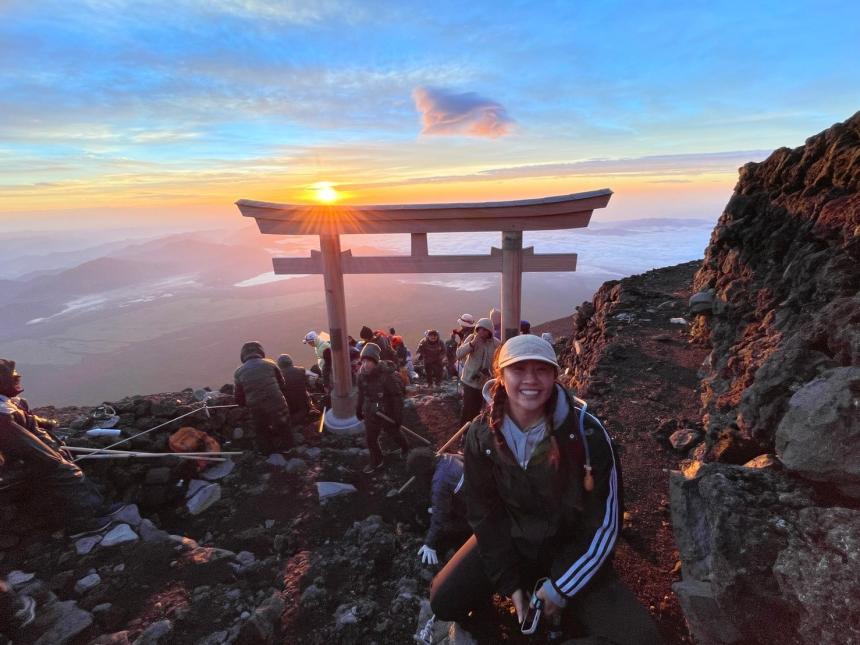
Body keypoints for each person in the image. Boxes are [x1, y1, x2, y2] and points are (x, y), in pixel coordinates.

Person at [429, 336, 662, 643]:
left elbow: (604, 523)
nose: (530, 380)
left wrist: (560, 588)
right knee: (443, 600)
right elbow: (485, 514)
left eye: (541, 370)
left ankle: (559, 603)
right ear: (500, 376)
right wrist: (511, 586)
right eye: (518, 369)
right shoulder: (482, 434)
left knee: (642, 638)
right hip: (513, 540)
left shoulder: (586, 433)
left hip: (569, 547)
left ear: (555, 375)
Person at [0, 359, 118, 537]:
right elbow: (26, 445)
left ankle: (97, 506)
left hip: (17, 454)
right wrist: (55, 458)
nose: (17, 381)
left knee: (63, 456)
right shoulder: (3, 417)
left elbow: (28, 421)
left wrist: (50, 428)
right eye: (13, 378)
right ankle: (82, 523)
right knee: (64, 471)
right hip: (9, 464)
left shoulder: (8, 403)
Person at [408, 448, 469, 566]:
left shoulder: (439, 482)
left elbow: (440, 516)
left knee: (444, 527)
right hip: (474, 496)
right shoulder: (447, 457)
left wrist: (429, 544)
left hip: (477, 514)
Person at [355, 343, 409, 474]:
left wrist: (397, 417)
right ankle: (377, 460)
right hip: (370, 411)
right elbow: (361, 393)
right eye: (364, 361)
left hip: (387, 412)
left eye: (369, 361)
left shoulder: (386, 376)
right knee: (370, 438)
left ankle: (406, 448)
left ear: (375, 361)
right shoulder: (361, 375)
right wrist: (358, 408)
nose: (365, 364)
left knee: (394, 432)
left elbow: (397, 397)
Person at [234, 342, 292, 454]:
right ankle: (288, 448)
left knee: (261, 429)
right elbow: (282, 384)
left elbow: (238, 398)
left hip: (256, 407)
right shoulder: (271, 364)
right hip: (277, 402)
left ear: (243, 356)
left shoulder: (238, 372)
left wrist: (248, 403)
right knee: (284, 424)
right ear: (260, 352)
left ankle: (266, 452)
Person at [455, 318, 500, 424]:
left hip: (485, 382)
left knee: (480, 410)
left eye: (485, 330)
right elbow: (459, 354)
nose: (481, 332)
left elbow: (499, 360)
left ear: (490, 331)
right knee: (468, 409)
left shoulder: (496, 343)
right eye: (479, 329)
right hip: (469, 381)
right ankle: (464, 433)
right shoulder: (471, 338)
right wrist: (472, 344)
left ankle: (473, 432)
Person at [276, 354, 316, 422]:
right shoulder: (300, 370)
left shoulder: (277, 376)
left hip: (290, 410)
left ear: (279, 365)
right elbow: (310, 384)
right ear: (291, 362)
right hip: (304, 407)